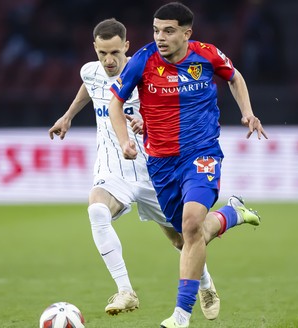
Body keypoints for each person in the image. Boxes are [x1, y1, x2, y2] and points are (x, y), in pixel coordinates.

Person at [49, 18, 250, 319]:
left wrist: (146, 121)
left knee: (183, 238)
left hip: (153, 167)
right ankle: (125, 290)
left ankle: (206, 285)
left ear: (126, 47)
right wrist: (68, 116)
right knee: (96, 209)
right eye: (102, 53)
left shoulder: (144, 69)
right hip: (114, 167)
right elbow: (90, 87)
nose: (109, 60)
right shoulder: (90, 71)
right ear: (95, 50)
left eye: (115, 52)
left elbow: (167, 103)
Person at [107, 3, 267, 327]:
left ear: (186, 33)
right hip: (161, 162)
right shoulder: (143, 60)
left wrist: (247, 112)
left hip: (201, 152)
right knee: (186, 237)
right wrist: (125, 140)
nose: (160, 37)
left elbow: (235, 78)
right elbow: (115, 102)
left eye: (168, 31)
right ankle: (231, 214)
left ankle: (180, 316)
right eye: (156, 30)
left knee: (192, 223)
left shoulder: (206, 55)